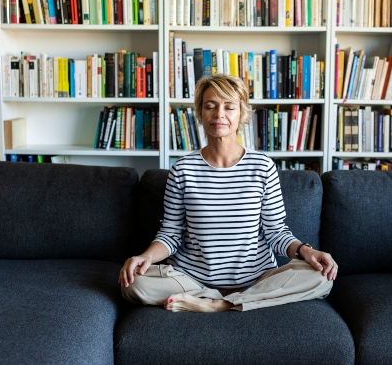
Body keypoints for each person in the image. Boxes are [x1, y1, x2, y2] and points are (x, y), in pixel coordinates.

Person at [120, 74, 337, 312]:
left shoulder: (262, 166)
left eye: (229, 107)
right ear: (200, 114)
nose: (219, 114)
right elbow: (171, 233)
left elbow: (276, 233)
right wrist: (146, 257)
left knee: (321, 277)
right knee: (134, 284)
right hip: (192, 280)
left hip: (256, 280)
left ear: (241, 114)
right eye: (210, 106)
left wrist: (307, 251)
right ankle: (228, 300)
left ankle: (217, 305)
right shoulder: (182, 169)